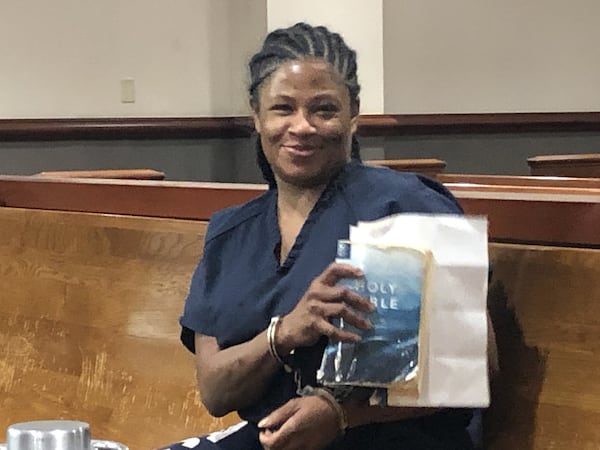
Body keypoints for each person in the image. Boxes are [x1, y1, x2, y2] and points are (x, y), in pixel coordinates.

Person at [159, 22, 488, 450]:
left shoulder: (405, 207)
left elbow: (473, 363)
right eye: (283, 109)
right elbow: (217, 392)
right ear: (256, 117)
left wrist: (341, 414)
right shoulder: (231, 233)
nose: (303, 127)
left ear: (354, 115)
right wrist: (285, 333)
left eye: (324, 110)